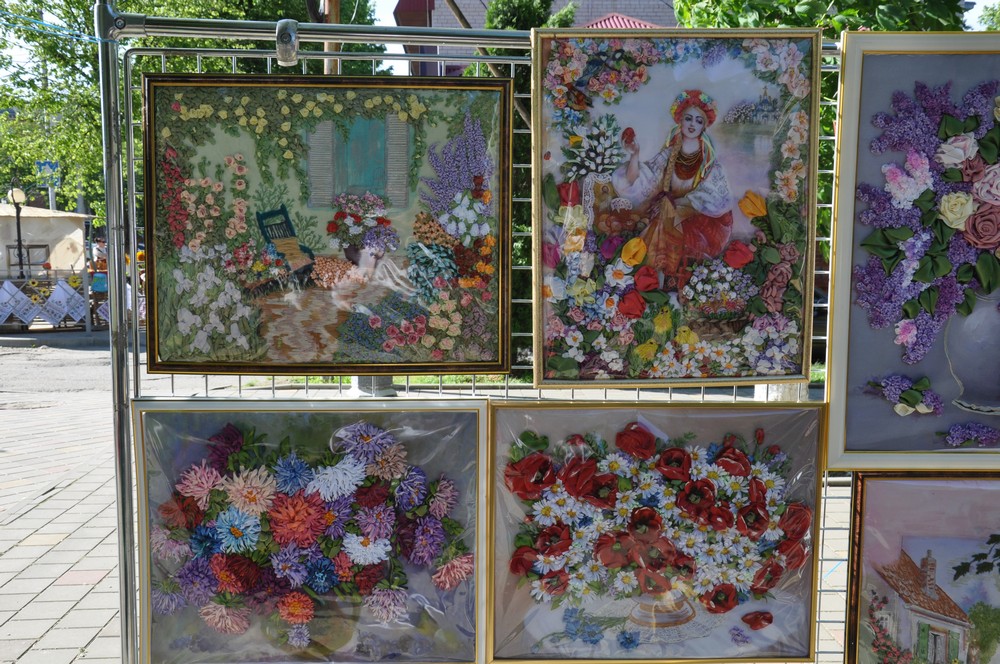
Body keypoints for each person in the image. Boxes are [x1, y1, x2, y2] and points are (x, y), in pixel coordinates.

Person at [611, 89, 734, 290]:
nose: (692, 124)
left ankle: (658, 278)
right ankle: (650, 279)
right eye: (688, 118)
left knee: (666, 215)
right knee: (664, 215)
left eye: (698, 121)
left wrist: (676, 204)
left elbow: (715, 198)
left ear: (704, 126)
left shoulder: (708, 161)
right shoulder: (669, 154)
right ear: (680, 121)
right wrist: (634, 154)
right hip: (666, 213)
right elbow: (639, 180)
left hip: (696, 219)